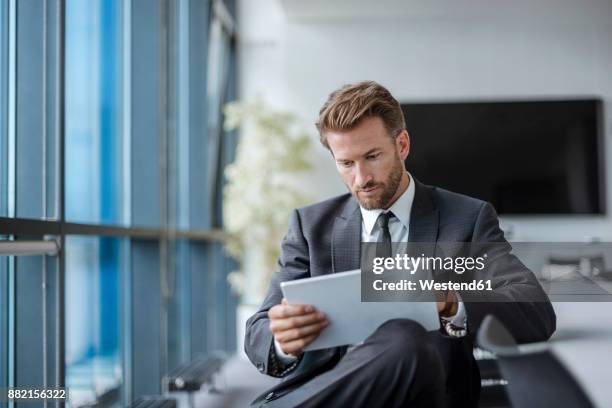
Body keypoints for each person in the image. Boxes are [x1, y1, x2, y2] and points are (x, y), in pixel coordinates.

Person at [244, 81, 556, 407]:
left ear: (402, 145)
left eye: (372, 156)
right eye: (346, 164)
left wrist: (451, 303)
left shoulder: (466, 220)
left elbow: (535, 310)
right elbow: (258, 335)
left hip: (425, 394)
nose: (361, 178)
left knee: (405, 336)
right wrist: (283, 339)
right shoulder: (310, 227)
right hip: (335, 392)